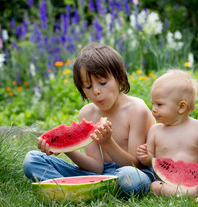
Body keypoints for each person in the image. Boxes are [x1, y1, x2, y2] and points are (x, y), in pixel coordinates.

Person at [23, 42, 156, 196]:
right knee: (31, 160)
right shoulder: (87, 113)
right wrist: (66, 148)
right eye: (88, 86)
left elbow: (136, 165)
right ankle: (72, 191)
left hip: (132, 172)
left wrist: (107, 143)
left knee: (130, 177)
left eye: (103, 83)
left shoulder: (136, 109)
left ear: (119, 79)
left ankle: (82, 189)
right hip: (100, 175)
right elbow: (96, 168)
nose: (96, 92)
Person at [136, 69, 198, 197]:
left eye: (159, 104)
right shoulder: (155, 130)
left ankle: (193, 190)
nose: (154, 110)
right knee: (155, 186)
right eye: (153, 104)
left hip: (194, 179)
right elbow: (151, 159)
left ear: (181, 107)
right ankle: (191, 193)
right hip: (165, 182)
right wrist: (146, 157)